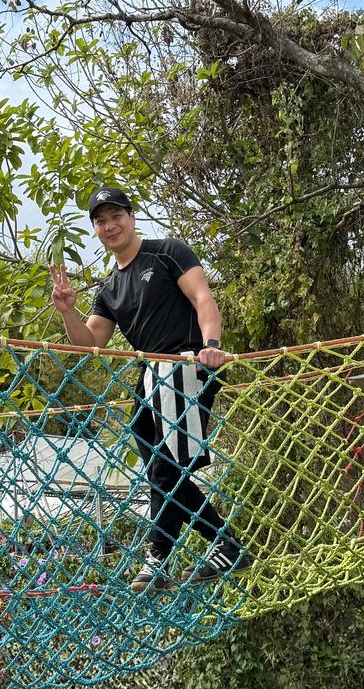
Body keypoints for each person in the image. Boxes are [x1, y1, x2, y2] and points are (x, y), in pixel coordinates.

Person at [48, 185, 250, 592]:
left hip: (185, 365)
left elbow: (204, 299)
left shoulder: (167, 252)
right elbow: (90, 343)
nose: (110, 226)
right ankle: (226, 544)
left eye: (116, 216)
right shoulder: (109, 287)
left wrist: (211, 345)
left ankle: (159, 556)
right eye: (101, 221)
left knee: (165, 469)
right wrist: (68, 311)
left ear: (131, 217)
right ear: (95, 229)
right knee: (162, 473)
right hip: (149, 377)